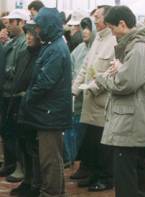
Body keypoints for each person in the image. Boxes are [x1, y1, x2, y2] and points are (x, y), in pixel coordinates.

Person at [95, 5, 145, 197]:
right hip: (130, 122)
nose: (113, 34)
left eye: (112, 29)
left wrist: (102, 78)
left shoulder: (139, 48)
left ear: (122, 24)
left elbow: (125, 84)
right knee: (134, 176)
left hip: (130, 124)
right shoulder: (137, 46)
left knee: (127, 181)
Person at [18, 7, 72, 197]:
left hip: (51, 113)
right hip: (47, 112)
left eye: (39, 26)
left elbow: (45, 82)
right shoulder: (52, 45)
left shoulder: (56, 49)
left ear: (48, 26)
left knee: (50, 159)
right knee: (50, 157)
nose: (37, 31)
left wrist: (28, 98)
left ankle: (51, 193)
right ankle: (55, 191)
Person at [72, 5, 116, 192]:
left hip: (102, 100)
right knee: (91, 142)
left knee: (103, 145)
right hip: (89, 100)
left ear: (106, 20)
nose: (95, 20)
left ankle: (105, 178)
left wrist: (94, 87)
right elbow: (85, 67)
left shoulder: (114, 40)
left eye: (97, 17)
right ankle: (93, 175)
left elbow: (112, 72)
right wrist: (74, 89)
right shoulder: (98, 38)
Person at [10, 22, 42, 197]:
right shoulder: (23, 54)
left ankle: (35, 184)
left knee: (33, 148)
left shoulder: (42, 54)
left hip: (33, 108)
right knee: (22, 145)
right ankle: (28, 180)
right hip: (19, 106)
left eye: (32, 34)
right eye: (28, 34)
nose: (29, 37)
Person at [63, 17, 96, 168]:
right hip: (75, 98)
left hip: (90, 100)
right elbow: (69, 68)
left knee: (84, 135)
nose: (85, 31)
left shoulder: (97, 48)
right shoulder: (79, 49)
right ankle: (72, 159)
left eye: (88, 28)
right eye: (83, 28)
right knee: (72, 131)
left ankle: (80, 163)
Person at [0, 9, 29, 180]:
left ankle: (18, 165)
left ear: (21, 23)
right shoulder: (11, 42)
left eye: (12, 21)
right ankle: (10, 163)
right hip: (7, 92)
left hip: (16, 94)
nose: (8, 24)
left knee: (16, 132)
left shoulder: (23, 43)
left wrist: (6, 72)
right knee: (7, 130)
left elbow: (17, 70)